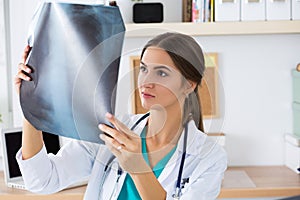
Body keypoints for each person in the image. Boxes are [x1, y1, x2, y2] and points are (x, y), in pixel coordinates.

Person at [15, 32, 227, 200]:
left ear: (189, 85)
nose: (146, 81)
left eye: (161, 73)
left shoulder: (209, 157)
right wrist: (31, 102)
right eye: (144, 69)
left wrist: (138, 167)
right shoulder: (112, 130)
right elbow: (42, 180)